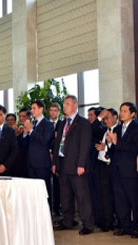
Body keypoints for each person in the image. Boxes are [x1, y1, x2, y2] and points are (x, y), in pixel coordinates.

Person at [52, 95, 94, 235]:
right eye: (64, 104)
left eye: (68, 104)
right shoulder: (62, 123)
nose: (64, 106)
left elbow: (85, 146)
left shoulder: (83, 123)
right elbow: (57, 144)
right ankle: (68, 221)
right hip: (63, 164)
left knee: (82, 196)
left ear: (75, 106)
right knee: (65, 195)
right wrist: (55, 163)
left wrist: (81, 164)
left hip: (77, 166)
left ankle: (87, 224)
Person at [108, 102, 138, 239]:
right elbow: (113, 151)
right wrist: (110, 144)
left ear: (133, 114)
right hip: (117, 170)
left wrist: (117, 143)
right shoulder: (117, 129)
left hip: (131, 170)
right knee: (121, 201)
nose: (121, 113)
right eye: (121, 110)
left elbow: (134, 148)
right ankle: (125, 226)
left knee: (135, 200)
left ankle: (137, 227)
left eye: (125, 111)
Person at [23, 100, 54, 208]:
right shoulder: (33, 123)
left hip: (42, 164)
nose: (32, 111)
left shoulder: (48, 124)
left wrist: (31, 130)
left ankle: (48, 218)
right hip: (31, 163)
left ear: (41, 109)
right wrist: (25, 133)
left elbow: (45, 141)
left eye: (34, 108)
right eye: (31, 108)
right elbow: (25, 144)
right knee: (33, 193)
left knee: (44, 192)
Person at [94, 108, 118, 232]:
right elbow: (91, 129)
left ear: (115, 117)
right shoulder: (102, 130)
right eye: (104, 118)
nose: (105, 120)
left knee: (116, 195)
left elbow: (119, 150)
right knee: (104, 196)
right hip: (101, 166)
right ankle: (107, 222)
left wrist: (107, 147)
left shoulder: (119, 130)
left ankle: (117, 221)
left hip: (113, 166)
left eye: (108, 117)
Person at [87, 107, 107, 229]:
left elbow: (92, 130)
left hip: (98, 166)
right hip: (89, 166)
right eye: (88, 115)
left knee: (99, 195)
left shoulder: (100, 128)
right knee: (92, 194)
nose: (89, 117)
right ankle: (94, 218)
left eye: (92, 115)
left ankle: (101, 219)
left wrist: (99, 119)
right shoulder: (89, 127)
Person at [49, 102, 62, 217]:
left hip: (58, 158)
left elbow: (60, 142)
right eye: (51, 110)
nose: (53, 112)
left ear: (59, 112)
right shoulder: (45, 124)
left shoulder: (62, 124)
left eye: (55, 110)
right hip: (46, 157)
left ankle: (58, 209)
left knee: (58, 185)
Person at [10, 108, 31, 178]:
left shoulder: (33, 129)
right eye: (20, 116)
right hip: (17, 164)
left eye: (23, 116)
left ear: (29, 117)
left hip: (28, 164)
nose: (21, 118)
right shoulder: (17, 130)